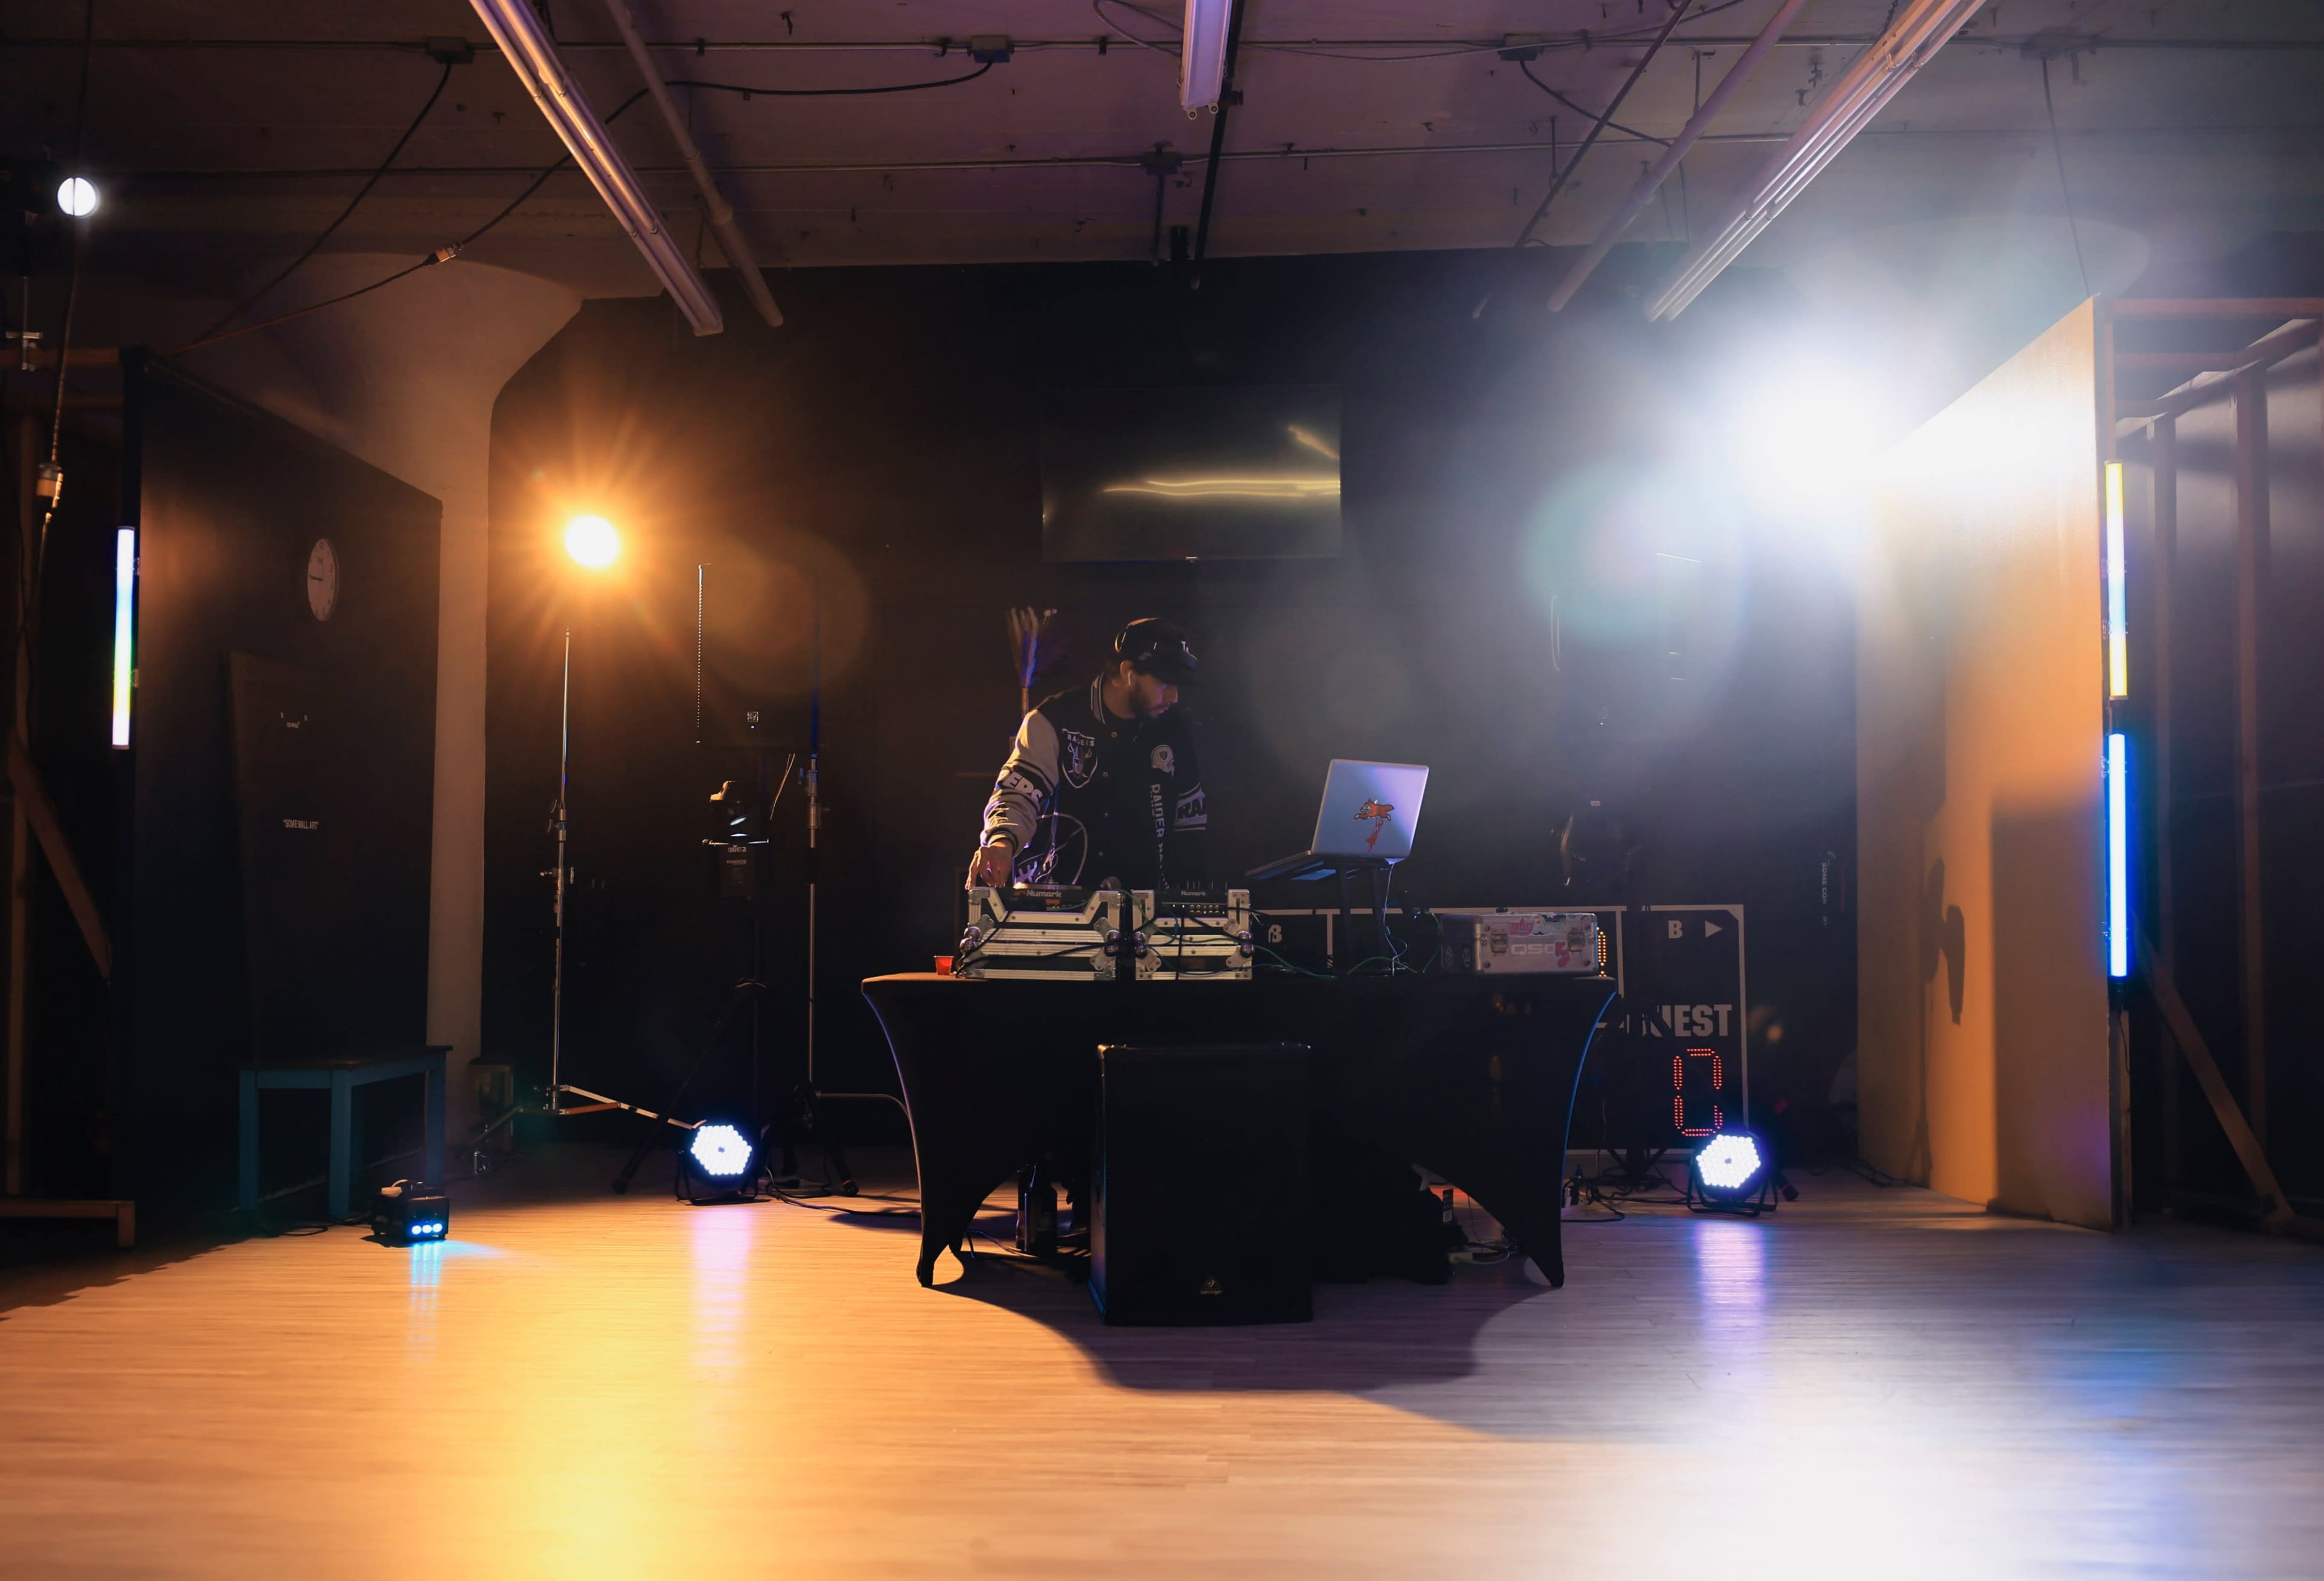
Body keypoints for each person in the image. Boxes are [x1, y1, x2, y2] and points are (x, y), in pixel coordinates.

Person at [970, 618, 1207, 892]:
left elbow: (1190, 821)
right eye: (1165, 683)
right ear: (1128, 672)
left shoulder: (1173, 729)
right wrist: (1001, 841)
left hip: (1149, 905)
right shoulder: (1053, 720)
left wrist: (1189, 900)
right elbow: (1018, 793)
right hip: (1059, 901)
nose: (1174, 697)